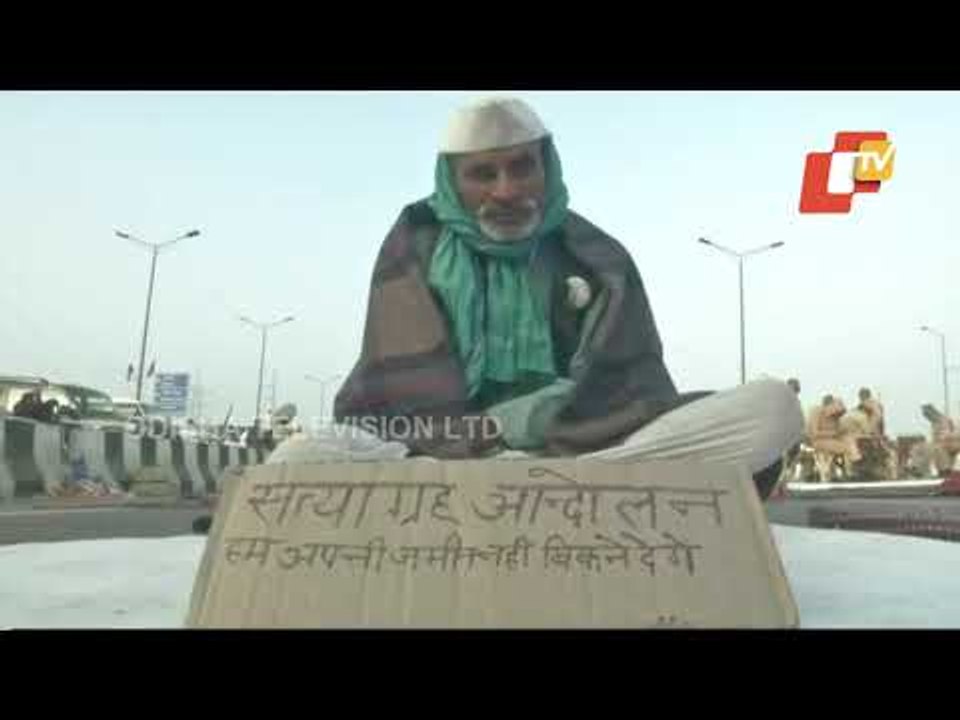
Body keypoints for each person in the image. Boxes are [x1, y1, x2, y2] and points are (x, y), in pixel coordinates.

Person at [271, 97, 804, 500]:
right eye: (483, 174)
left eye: (522, 167)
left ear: (546, 167)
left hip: (584, 448)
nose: (506, 190)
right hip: (439, 452)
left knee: (771, 408)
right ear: (452, 183)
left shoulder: (593, 255)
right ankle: (545, 492)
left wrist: (522, 423)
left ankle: (513, 490)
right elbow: (398, 395)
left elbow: (627, 392)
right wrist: (477, 438)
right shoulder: (417, 245)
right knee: (298, 458)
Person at [807, 394, 861, 480]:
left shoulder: (836, 415)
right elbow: (814, 434)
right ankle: (849, 470)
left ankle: (853, 465)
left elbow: (840, 427)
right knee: (846, 447)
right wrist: (833, 433)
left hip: (833, 439)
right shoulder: (816, 412)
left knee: (849, 439)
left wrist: (843, 430)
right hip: (819, 441)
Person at [921, 404, 960, 476]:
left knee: (939, 449)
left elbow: (948, 435)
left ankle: (945, 470)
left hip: (952, 444)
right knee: (934, 449)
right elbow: (938, 438)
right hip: (948, 445)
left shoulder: (944, 421)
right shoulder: (936, 424)